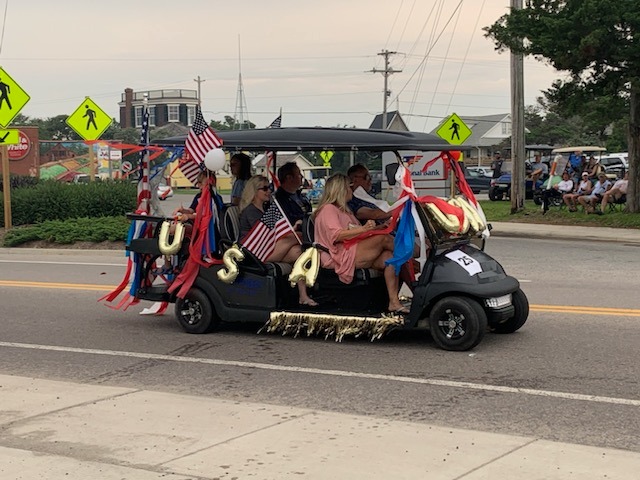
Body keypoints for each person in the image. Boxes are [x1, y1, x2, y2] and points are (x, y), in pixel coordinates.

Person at [313, 173, 408, 314]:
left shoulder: (346, 211)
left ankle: (393, 302)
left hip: (352, 249)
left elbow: (358, 232)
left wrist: (377, 228)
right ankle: (412, 257)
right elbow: (337, 235)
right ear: (341, 190)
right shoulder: (328, 209)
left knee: (390, 258)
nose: (352, 191)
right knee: (384, 239)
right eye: (349, 188)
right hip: (338, 255)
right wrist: (365, 229)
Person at [239, 175, 317, 306]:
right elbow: (265, 235)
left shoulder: (265, 208)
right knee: (295, 236)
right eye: (264, 188)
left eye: (269, 187)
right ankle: (313, 244)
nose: (269, 191)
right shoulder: (250, 211)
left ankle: (303, 296)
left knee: (299, 252)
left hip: (269, 247)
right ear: (254, 191)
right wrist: (292, 229)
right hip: (255, 252)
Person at [275, 161, 312, 230]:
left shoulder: (301, 196)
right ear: (289, 178)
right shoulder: (279, 200)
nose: (302, 176)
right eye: (298, 174)